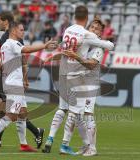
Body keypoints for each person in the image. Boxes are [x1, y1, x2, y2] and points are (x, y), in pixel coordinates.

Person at [42, 5, 114, 156]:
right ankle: (86, 144)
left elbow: (91, 64)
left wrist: (77, 57)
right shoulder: (85, 40)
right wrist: (54, 56)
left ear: (101, 33)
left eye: (97, 28)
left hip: (90, 83)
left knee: (87, 114)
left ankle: (92, 148)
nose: (94, 29)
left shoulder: (98, 47)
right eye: (92, 27)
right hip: (79, 80)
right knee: (78, 115)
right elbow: (68, 51)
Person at [0, 21, 57, 152]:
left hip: (13, 83)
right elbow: (26, 50)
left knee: (22, 113)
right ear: (14, 31)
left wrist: (24, 79)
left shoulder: (5, 45)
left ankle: (24, 144)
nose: (23, 32)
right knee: (12, 115)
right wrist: (44, 46)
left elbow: (12, 60)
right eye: (21, 30)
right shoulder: (12, 43)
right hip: (13, 84)